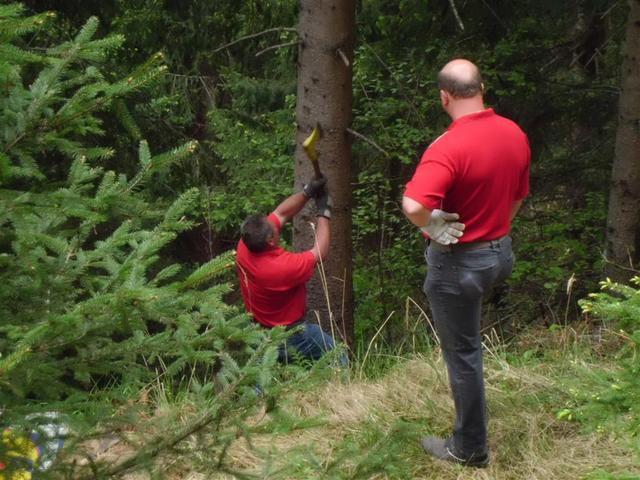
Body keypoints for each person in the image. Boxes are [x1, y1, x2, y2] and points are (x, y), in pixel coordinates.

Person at [402, 58, 531, 467]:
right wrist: (496, 232)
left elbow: (413, 204)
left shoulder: (449, 146)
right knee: (469, 348)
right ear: (481, 87)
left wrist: (432, 223)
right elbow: (519, 196)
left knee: (463, 354)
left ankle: (470, 448)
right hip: (500, 254)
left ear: (444, 97)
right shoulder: (514, 133)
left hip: (459, 266)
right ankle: (471, 434)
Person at [236, 176, 340, 363]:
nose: (275, 224)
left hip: (261, 334)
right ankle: (348, 388)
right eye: (273, 229)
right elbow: (319, 252)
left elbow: (281, 213)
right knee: (337, 354)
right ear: (270, 240)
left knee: (262, 379)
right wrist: (324, 213)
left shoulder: (245, 245)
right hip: (292, 335)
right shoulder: (281, 268)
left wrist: (307, 192)